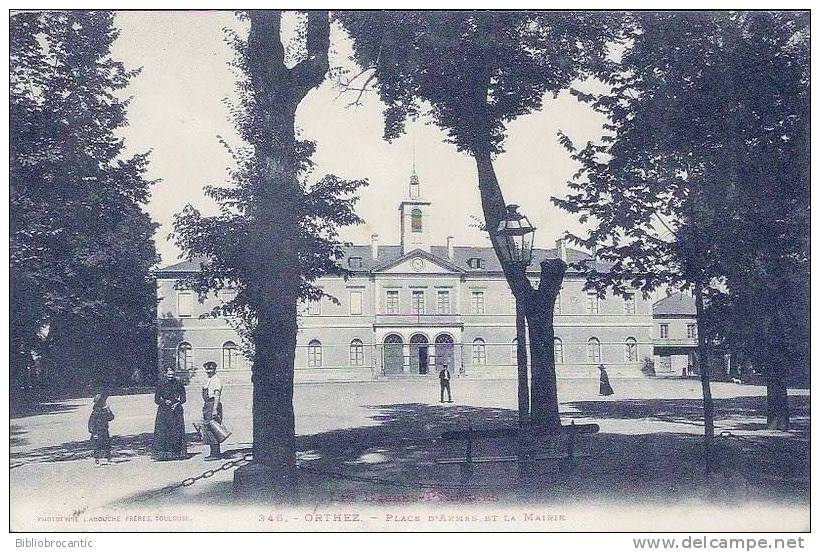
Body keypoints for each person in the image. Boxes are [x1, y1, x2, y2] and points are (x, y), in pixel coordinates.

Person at [152, 367, 187, 460]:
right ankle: (163, 454)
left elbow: (183, 398)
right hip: (164, 411)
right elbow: (156, 399)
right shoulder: (160, 384)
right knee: (164, 432)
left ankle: (177, 453)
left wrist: (177, 403)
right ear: (165, 374)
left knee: (176, 431)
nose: (170, 376)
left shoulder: (179, 384)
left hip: (176, 411)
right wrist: (164, 401)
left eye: (172, 374)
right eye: (169, 374)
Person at [201, 361, 224, 460]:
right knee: (208, 428)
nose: (209, 371)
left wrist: (214, 410)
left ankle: (215, 454)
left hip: (213, 404)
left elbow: (217, 396)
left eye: (211, 370)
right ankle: (213, 452)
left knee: (213, 428)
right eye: (207, 370)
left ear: (215, 370)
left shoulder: (216, 380)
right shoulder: (208, 380)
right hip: (207, 405)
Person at [88, 392, 114, 466]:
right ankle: (97, 460)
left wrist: (108, 410)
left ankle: (109, 459)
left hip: (105, 430)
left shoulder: (104, 410)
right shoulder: (95, 412)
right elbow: (91, 422)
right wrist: (92, 431)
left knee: (107, 444)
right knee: (97, 446)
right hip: (97, 431)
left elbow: (111, 418)